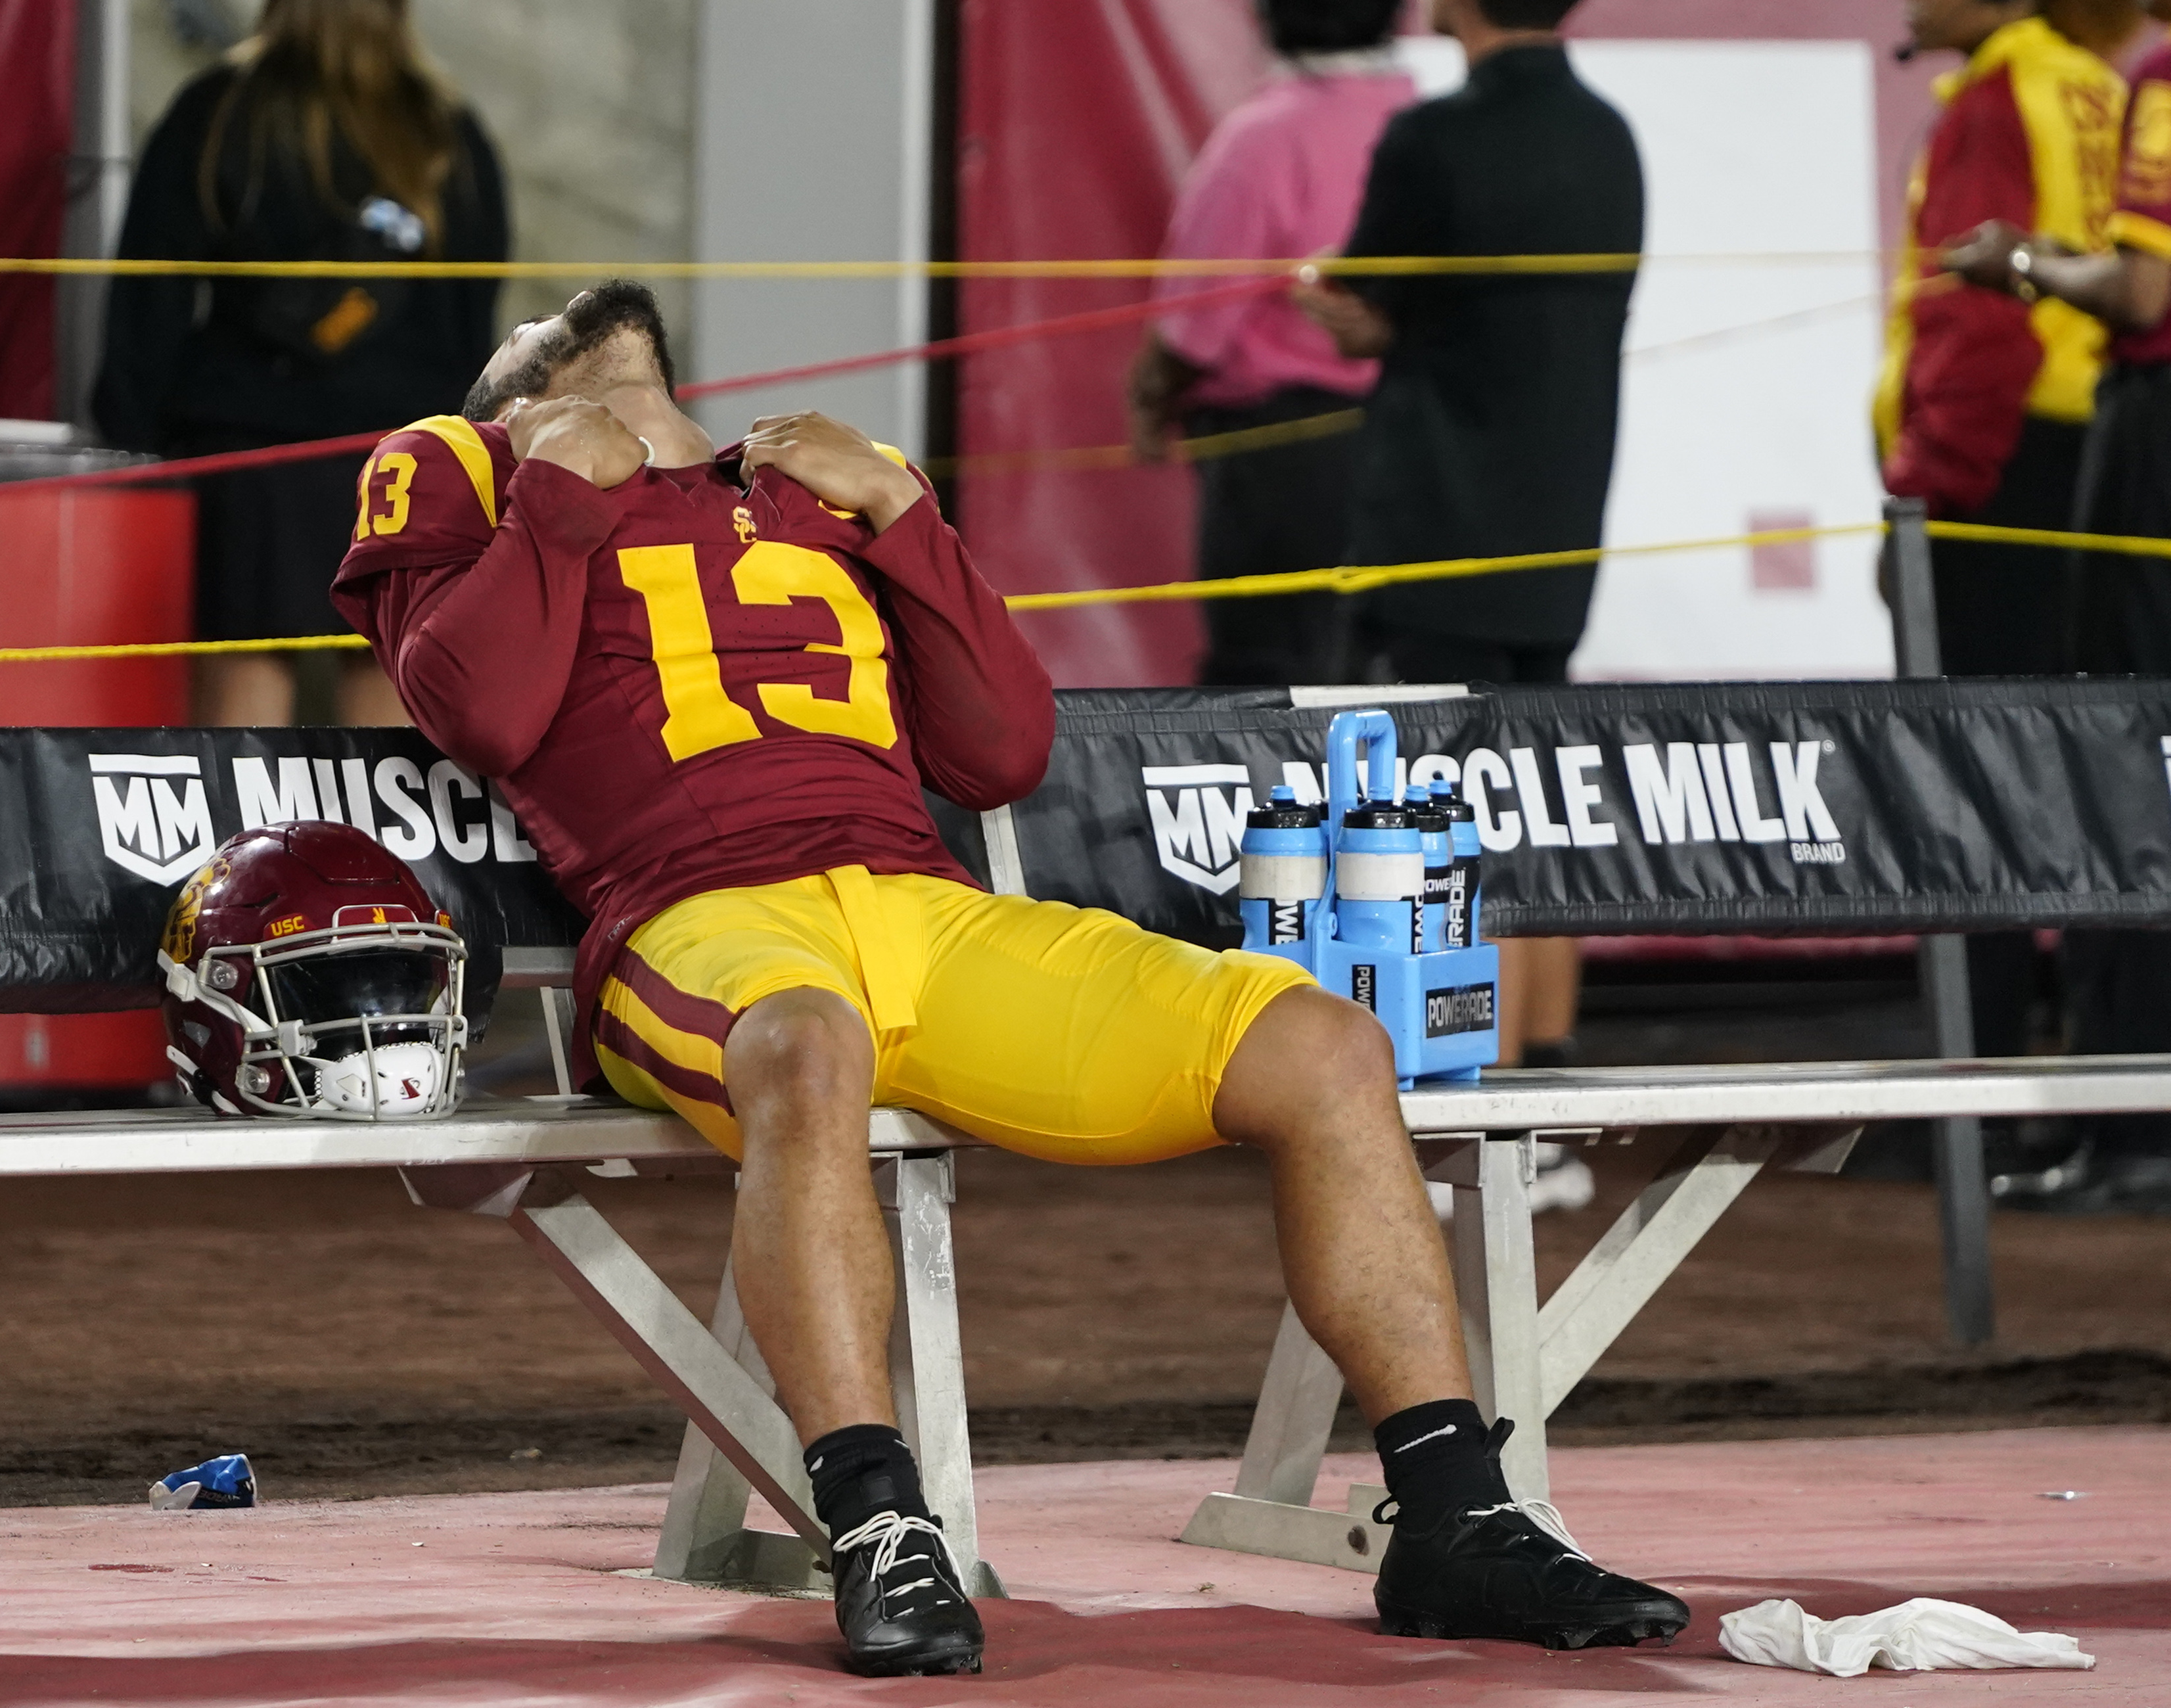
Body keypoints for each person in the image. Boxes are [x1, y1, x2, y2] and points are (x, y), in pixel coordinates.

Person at [329, 281, 1689, 1678]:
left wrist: (906, 520)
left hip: (924, 903)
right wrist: (549, 486)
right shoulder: (460, 464)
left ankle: (1453, 1512)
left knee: (1320, 1042)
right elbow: (475, 711)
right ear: (500, 393)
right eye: (514, 340)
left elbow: (996, 754)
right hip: (699, 922)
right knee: (804, 1047)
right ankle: (873, 1524)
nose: (554, 305)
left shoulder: (818, 478)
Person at [1293, 0, 1641, 1073]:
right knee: (1530, 797)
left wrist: (1331, 304)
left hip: (1438, 526)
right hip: (1558, 526)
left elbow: (1364, 303)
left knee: (1432, 819)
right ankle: (1543, 1084)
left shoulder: (1432, 139)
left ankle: (1471, 1085)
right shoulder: (1610, 140)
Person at [95, 0, 509, 729]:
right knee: (392, 687)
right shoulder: (450, 138)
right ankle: (399, 869)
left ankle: (235, 869)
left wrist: (131, 453)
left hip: (253, 463)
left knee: (248, 683)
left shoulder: (216, 113)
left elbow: (147, 310)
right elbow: (477, 337)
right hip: (403, 463)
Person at [1944, 0, 2171, 1205]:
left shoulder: (2152, 72)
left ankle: (2125, 1117)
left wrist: (2016, 261)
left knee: (2120, 749)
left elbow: (2140, 295)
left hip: (2143, 436)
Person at [1879, 0, 2126, 1059]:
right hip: (2091, 460)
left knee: (1959, 771)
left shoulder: (1989, 101)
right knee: (2073, 765)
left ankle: (1966, 1082)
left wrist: (1924, 480)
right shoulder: (2088, 78)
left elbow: (1977, 325)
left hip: (1991, 467)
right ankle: (2071, 1060)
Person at [1125, 0, 1415, 687]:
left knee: (1267, 687)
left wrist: (1150, 401)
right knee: (1381, 681)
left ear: (1270, 4)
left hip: (1283, 457)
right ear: (1394, 4)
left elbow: (1194, 328)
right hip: (1411, 451)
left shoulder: (1260, 140)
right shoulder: (1419, 122)